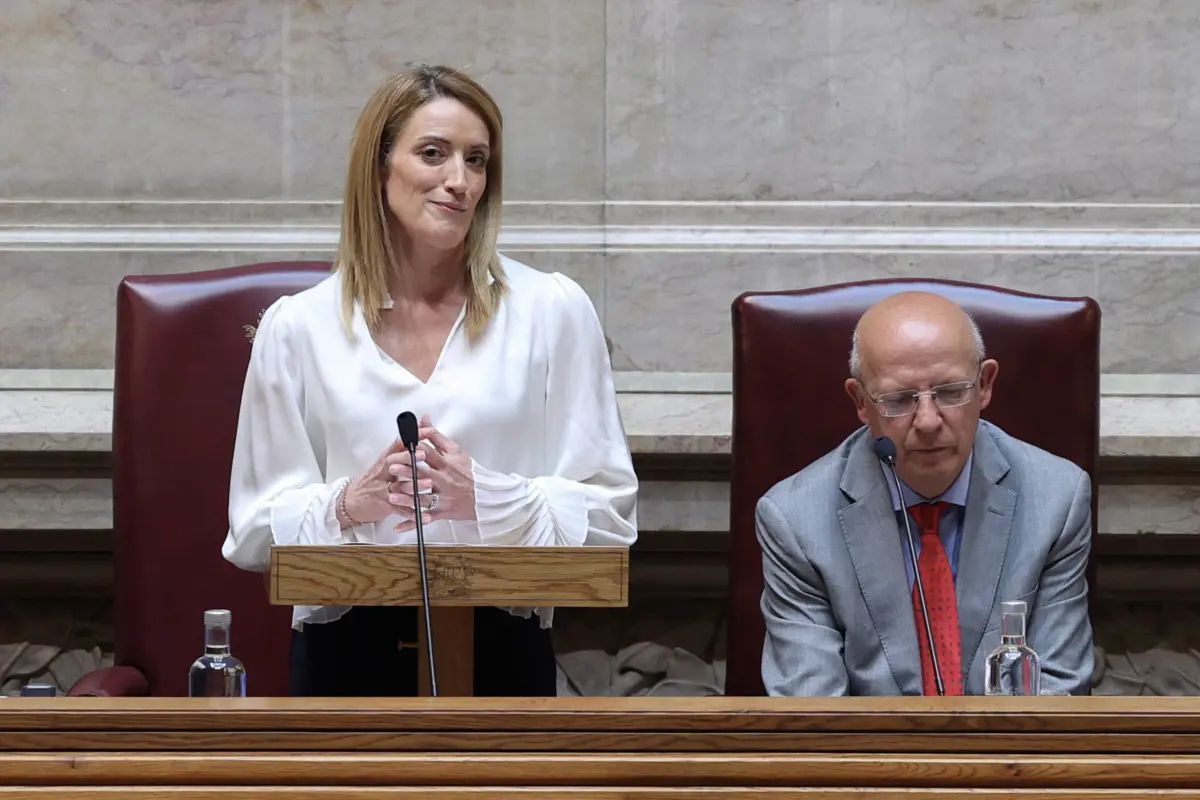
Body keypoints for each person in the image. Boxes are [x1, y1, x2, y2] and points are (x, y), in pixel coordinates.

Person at [221, 64, 638, 697]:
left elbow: (611, 514)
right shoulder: (297, 327)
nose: (458, 181)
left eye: (476, 160)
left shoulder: (552, 309)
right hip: (344, 659)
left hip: (503, 653)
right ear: (380, 165)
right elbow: (250, 531)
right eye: (433, 154)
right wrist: (344, 505)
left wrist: (491, 497)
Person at [757, 291, 1093, 696]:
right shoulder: (794, 519)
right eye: (899, 400)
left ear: (985, 385)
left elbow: (1059, 693)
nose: (929, 421)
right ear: (861, 402)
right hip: (870, 754)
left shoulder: (1057, 498)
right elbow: (813, 712)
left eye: (951, 392)